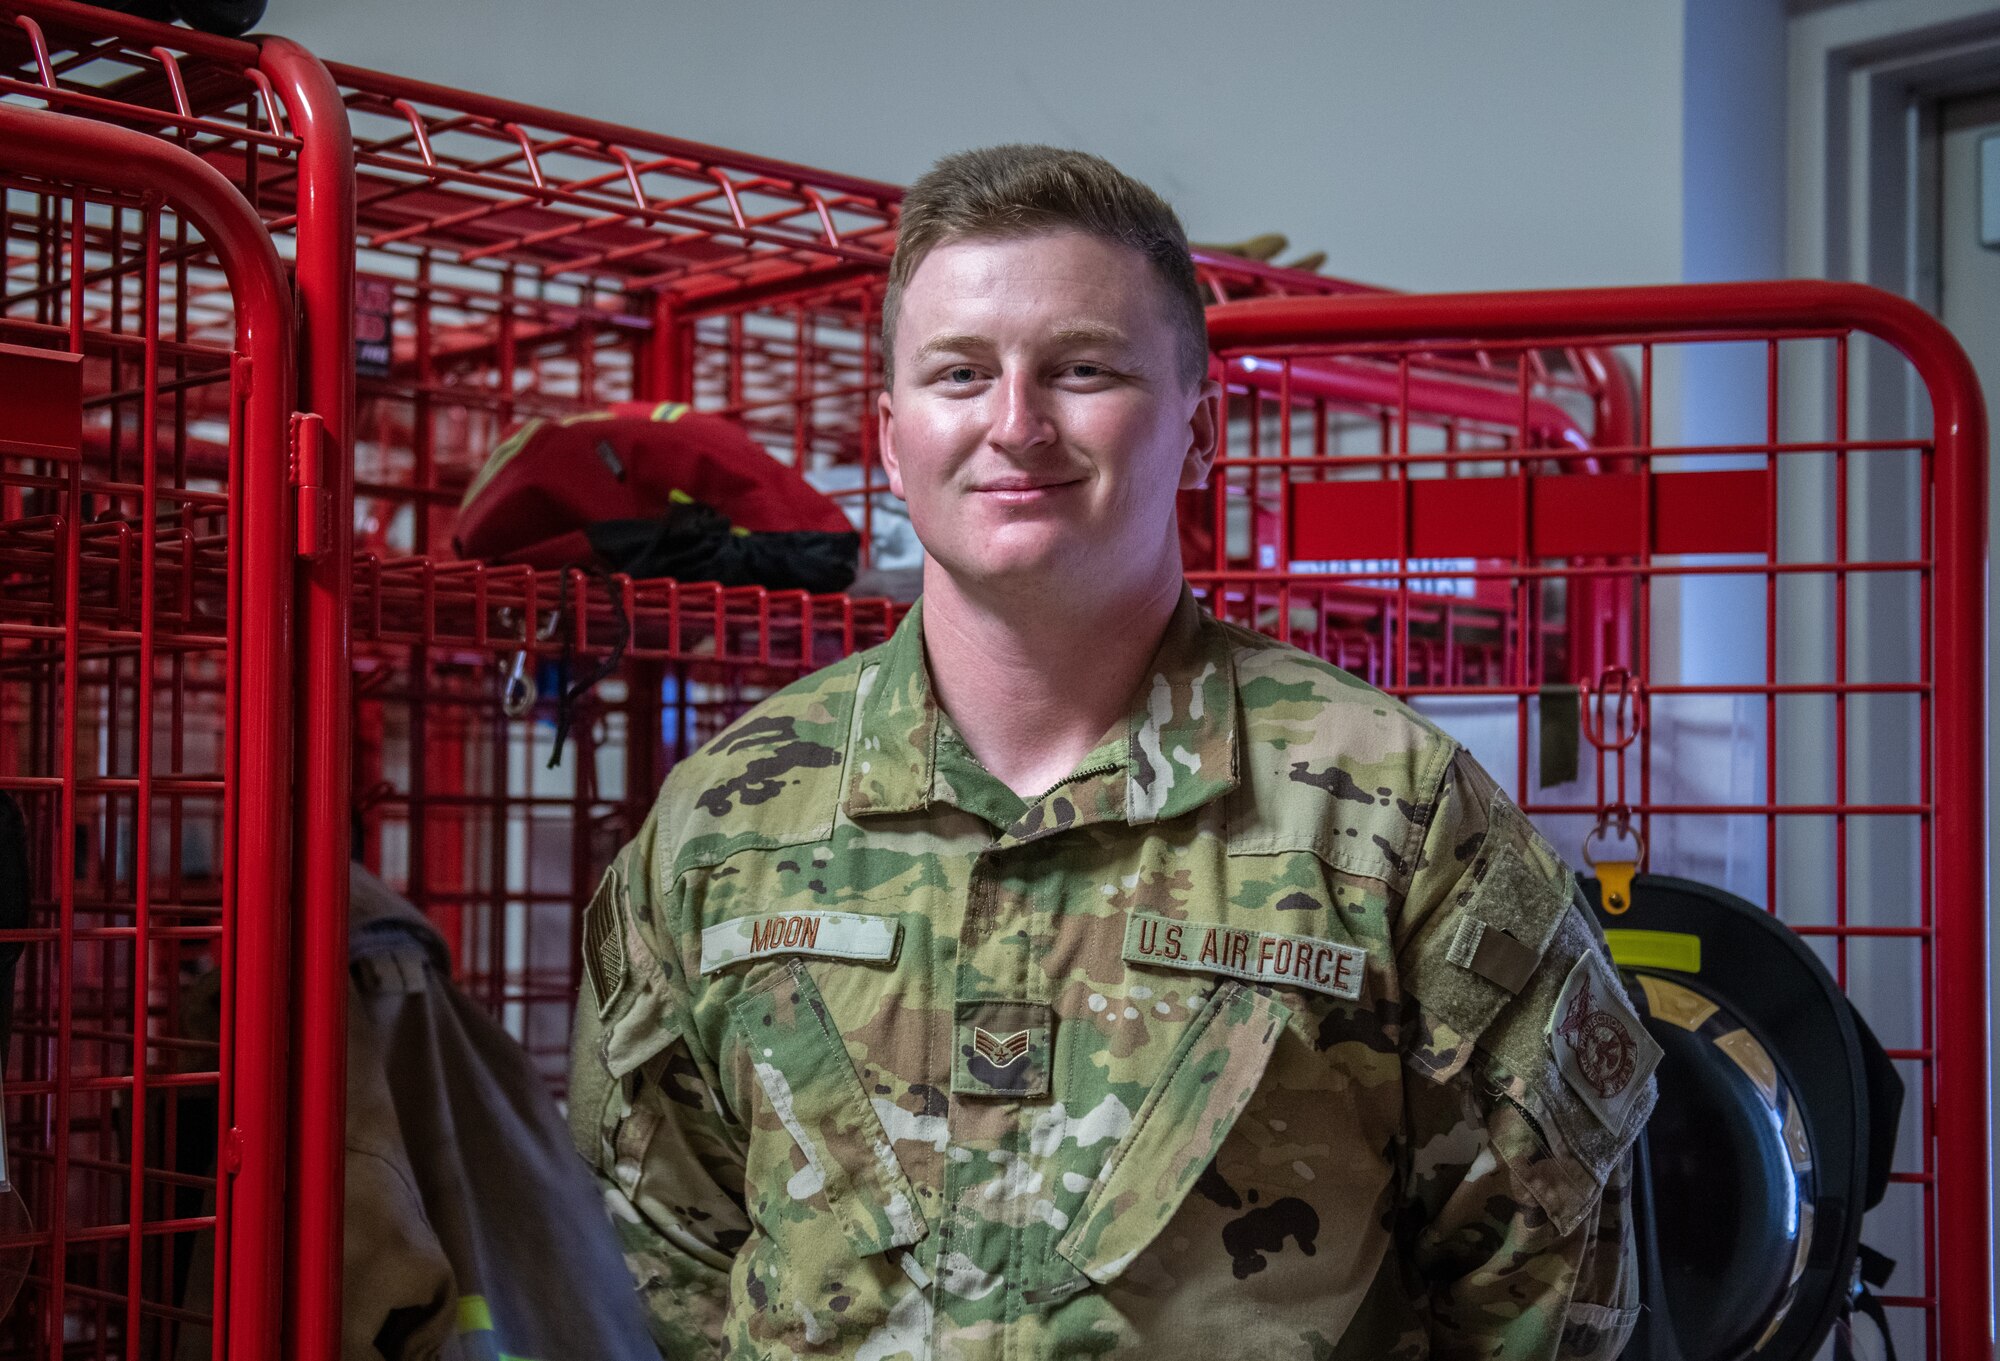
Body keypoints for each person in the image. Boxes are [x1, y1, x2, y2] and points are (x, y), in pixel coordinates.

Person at [566, 144, 1654, 1361]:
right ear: (890, 437)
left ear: (1199, 432)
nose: (1014, 423)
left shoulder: (1389, 811)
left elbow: (1541, 1285)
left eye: (1082, 369)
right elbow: (653, 1254)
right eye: (959, 373)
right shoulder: (728, 819)